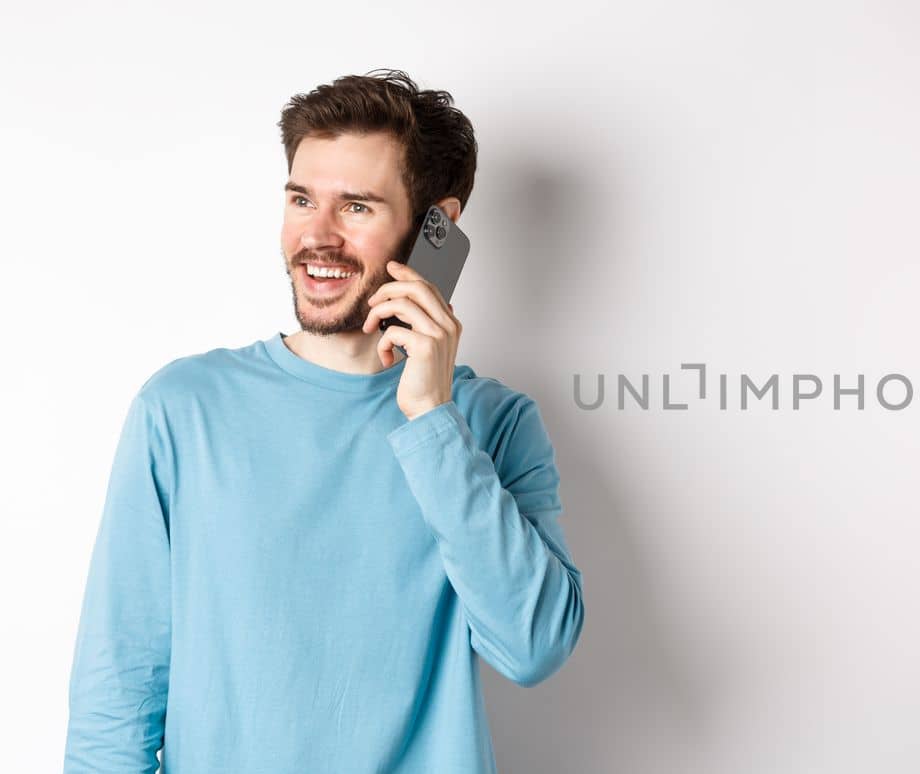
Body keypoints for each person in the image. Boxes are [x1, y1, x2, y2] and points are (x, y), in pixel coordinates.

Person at [63, 69, 584, 773]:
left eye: (357, 207)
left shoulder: (493, 423)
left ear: (437, 228)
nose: (317, 236)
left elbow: (533, 646)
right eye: (302, 199)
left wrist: (430, 417)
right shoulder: (183, 409)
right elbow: (117, 699)